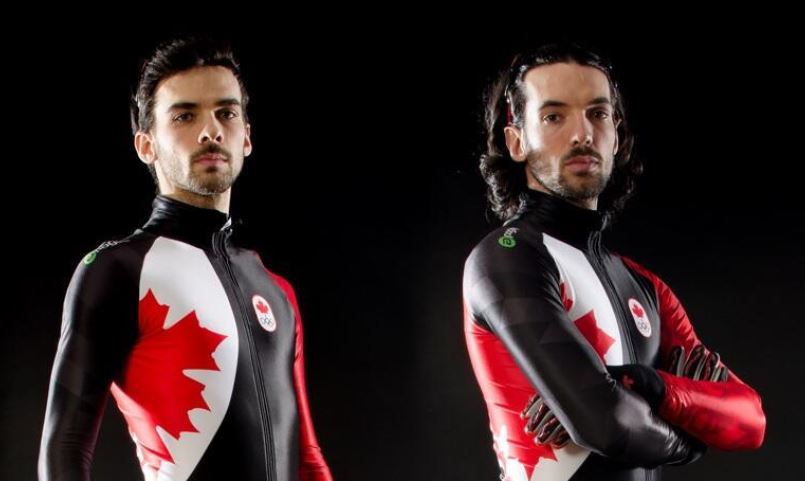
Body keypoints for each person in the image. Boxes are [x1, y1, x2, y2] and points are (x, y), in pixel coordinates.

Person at [462, 43, 766, 481]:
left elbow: (749, 420)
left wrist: (655, 386)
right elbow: (607, 425)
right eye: (554, 116)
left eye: (597, 114)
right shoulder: (507, 259)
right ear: (516, 141)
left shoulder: (643, 285)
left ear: (616, 135)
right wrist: (692, 444)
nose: (582, 133)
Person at [38, 36, 332, 481]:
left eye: (226, 113)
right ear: (145, 146)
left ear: (247, 137)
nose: (210, 130)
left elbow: (307, 459)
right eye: (184, 115)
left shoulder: (276, 290)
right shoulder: (118, 271)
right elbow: (65, 446)